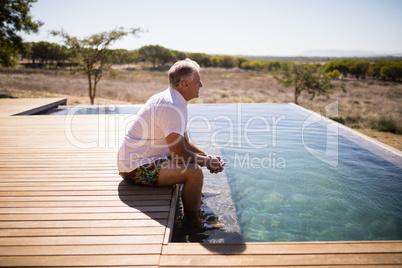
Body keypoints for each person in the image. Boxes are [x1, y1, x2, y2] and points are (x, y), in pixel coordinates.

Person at [117, 59, 225, 225]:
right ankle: (194, 223)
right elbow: (179, 154)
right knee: (194, 172)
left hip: (145, 158)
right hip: (135, 167)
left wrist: (208, 157)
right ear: (185, 84)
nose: (201, 85)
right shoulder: (171, 106)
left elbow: (186, 142)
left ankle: (196, 192)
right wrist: (206, 162)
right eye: (198, 81)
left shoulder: (176, 101)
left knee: (194, 168)